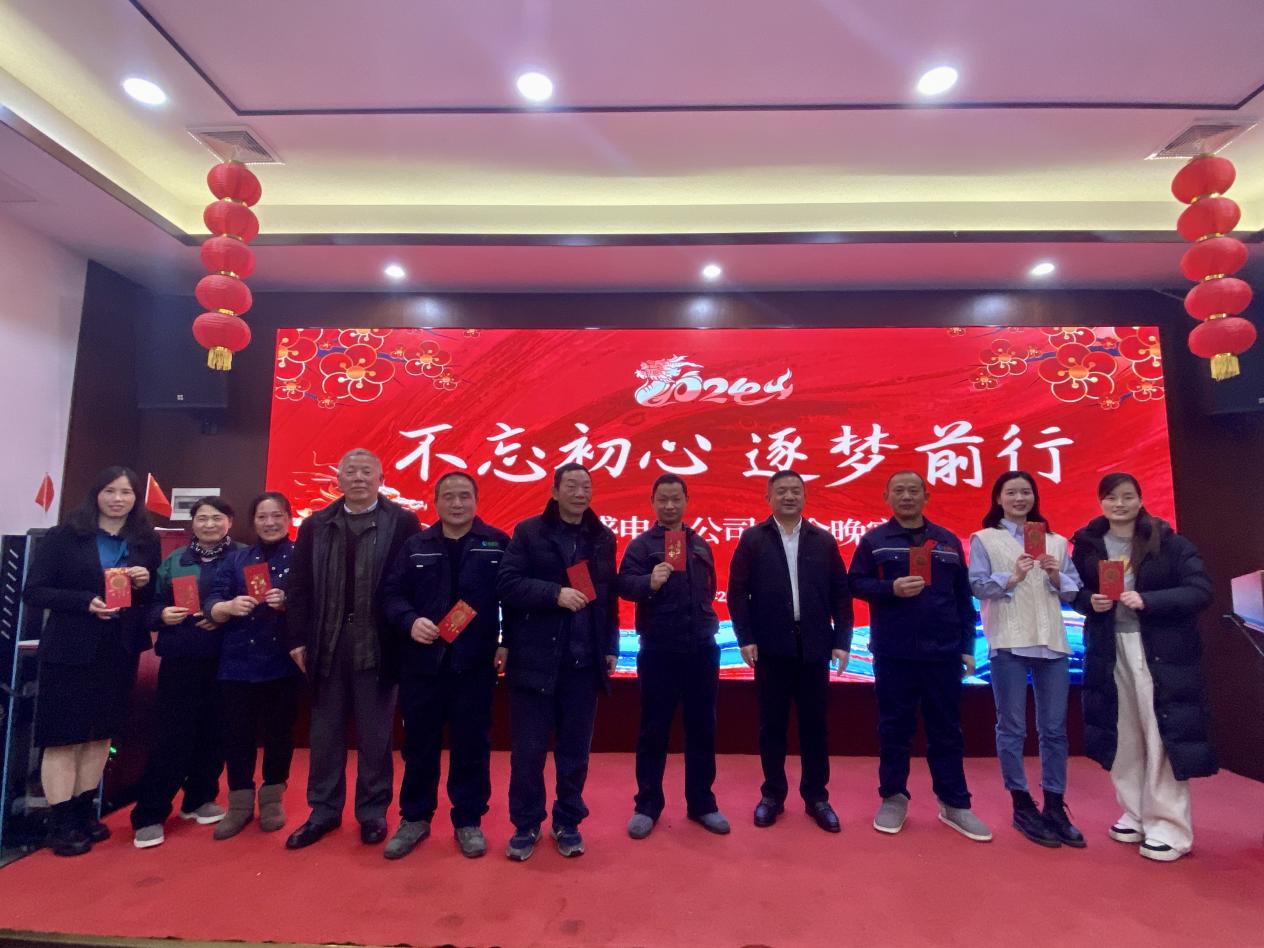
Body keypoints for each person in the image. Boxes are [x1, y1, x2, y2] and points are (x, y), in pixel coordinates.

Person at [1071, 473, 1216, 862]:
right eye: (1110, 497)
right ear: (1101, 501)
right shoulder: (1087, 543)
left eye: (1127, 497)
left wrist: (1149, 600)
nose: (1119, 504)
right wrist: (1089, 601)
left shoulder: (1169, 541)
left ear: (1139, 499)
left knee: (1160, 733)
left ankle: (1169, 827)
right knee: (1124, 734)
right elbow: (1076, 592)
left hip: (1158, 651)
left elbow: (1200, 590)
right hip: (1108, 649)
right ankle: (1135, 813)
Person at [283, 448, 421, 849]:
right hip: (326, 641)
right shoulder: (316, 524)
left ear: (381, 479)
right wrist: (297, 639)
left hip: (377, 643)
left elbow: (410, 584)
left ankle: (372, 811)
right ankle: (323, 811)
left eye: (366, 472)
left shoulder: (403, 522)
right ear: (338, 479)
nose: (358, 478)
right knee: (324, 734)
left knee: (376, 735)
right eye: (351, 472)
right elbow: (299, 586)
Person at [23, 466, 159, 856]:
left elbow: (148, 598)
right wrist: (85, 602)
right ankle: (60, 821)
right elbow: (34, 591)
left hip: (118, 648)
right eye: (110, 491)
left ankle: (84, 812)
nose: (118, 499)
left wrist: (144, 582)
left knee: (100, 734)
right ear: (96, 494)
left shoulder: (144, 540)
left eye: (126, 492)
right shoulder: (65, 536)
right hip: (70, 649)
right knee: (64, 737)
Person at [850, 471, 992, 841]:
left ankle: (954, 803)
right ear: (886, 496)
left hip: (943, 653)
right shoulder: (874, 541)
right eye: (898, 490)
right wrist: (891, 588)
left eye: (914, 490)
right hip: (893, 652)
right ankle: (893, 796)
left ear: (926, 496)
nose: (906, 496)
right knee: (894, 728)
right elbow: (855, 583)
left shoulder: (946, 540)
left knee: (947, 729)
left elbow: (962, 598)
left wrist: (967, 646)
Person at [380, 472, 510, 860]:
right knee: (419, 745)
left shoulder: (496, 543)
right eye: (449, 496)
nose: (457, 503)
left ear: (476, 500)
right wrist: (409, 621)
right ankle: (414, 818)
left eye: (464, 496)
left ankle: (468, 820)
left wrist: (507, 642)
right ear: (435, 502)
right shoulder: (416, 545)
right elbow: (391, 595)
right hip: (423, 664)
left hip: (475, 664)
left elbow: (514, 598)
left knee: (472, 745)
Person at [497, 463, 618, 861]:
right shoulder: (529, 532)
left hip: (583, 662)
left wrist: (610, 645)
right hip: (535, 659)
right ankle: (526, 824)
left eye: (586, 486)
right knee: (528, 752)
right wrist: (555, 594)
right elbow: (507, 584)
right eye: (572, 486)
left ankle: (568, 822)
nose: (580, 493)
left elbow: (607, 596)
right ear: (554, 491)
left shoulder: (602, 537)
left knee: (574, 753)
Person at [728, 470, 852, 833]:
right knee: (772, 726)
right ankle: (772, 795)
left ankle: (817, 797)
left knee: (815, 726)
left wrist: (842, 641)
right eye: (781, 491)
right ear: (768, 497)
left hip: (815, 646)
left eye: (795, 491)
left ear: (805, 497)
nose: (789, 496)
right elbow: (737, 593)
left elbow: (840, 595)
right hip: (770, 647)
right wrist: (745, 637)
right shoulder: (753, 539)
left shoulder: (823, 540)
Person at [969, 470, 1084, 849]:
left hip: (1052, 643)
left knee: (1055, 729)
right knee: (1012, 727)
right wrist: (1012, 576)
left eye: (1026, 492)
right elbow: (977, 585)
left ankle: (1054, 804)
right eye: (1011, 492)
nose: (1020, 499)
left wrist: (1055, 575)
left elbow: (1073, 592)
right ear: (998, 499)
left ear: (1034, 497)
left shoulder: (1055, 541)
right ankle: (1021, 803)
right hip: (1008, 643)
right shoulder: (985, 539)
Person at [618, 474, 729, 839]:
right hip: (658, 651)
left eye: (676, 499)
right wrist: (648, 582)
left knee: (703, 728)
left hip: (701, 649)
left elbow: (710, 589)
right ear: (652, 502)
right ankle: (647, 805)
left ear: (686, 501)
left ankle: (702, 803)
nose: (669, 505)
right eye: (662, 499)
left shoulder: (700, 544)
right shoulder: (641, 546)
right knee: (654, 730)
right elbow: (624, 585)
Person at [130, 496, 239, 848]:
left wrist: (222, 616)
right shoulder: (175, 560)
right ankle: (150, 813)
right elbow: (151, 605)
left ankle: (199, 798)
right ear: (192, 523)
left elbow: (255, 602)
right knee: (172, 735)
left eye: (217, 518)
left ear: (229, 522)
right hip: (182, 657)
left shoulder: (243, 556)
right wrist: (162, 616)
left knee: (215, 733)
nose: (209, 524)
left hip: (227, 659)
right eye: (202, 518)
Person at [205, 491, 302, 840]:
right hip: (237, 662)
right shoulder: (237, 559)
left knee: (279, 733)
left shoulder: (302, 557)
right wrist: (227, 607)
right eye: (262, 517)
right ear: (253, 522)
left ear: (289, 519)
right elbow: (213, 598)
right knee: (237, 735)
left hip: (284, 661)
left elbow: (318, 602)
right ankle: (240, 802)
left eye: (277, 516)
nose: (270, 522)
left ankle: (273, 798)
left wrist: (289, 602)